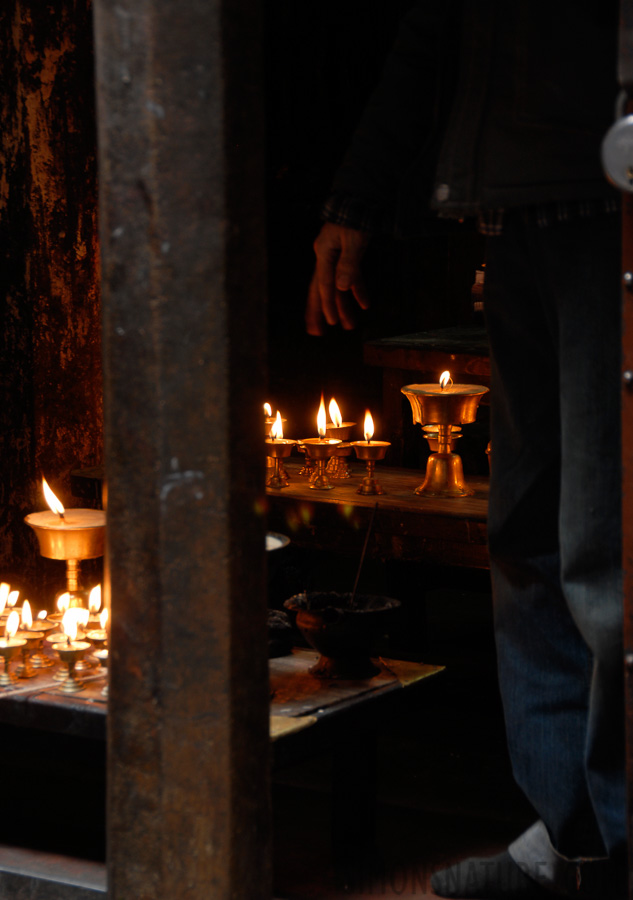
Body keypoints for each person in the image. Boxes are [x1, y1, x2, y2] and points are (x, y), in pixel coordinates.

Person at [306, 4, 626, 899]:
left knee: (603, 545)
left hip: (609, 202)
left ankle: (618, 843)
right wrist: (354, 202)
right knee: (526, 537)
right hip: (511, 209)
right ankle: (572, 836)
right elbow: (429, 30)